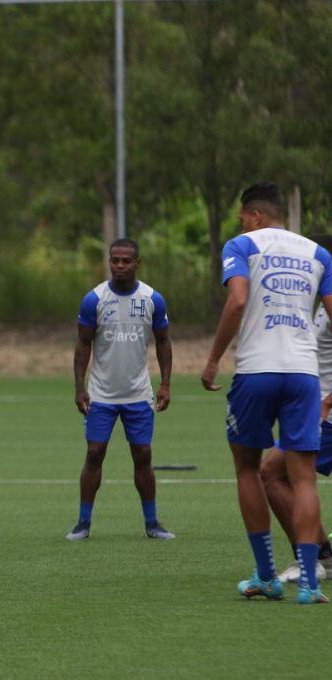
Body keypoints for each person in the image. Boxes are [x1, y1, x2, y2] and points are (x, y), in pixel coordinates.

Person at [202, 181, 332, 604]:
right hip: (304, 375)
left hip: (257, 370)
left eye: (243, 217)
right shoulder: (318, 253)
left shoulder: (241, 245)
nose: (241, 223)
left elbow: (237, 301)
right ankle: (311, 584)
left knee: (247, 469)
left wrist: (213, 358)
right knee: (303, 478)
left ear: (255, 216)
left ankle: (266, 576)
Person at [67, 238, 175, 541]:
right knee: (94, 453)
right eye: (115, 260)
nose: (120, 266)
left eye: (126, 261)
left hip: (138, 393)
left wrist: (165, 383)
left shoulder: (153, 298)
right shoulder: (94, 299)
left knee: (142, 454)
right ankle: (83, 524)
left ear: (137, 263)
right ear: (109, 262)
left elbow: (164, 341)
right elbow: (82, 344)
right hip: (101, 394)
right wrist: (79, 387)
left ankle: (152, 523)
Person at [261, 233, 332, 584]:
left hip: (326, 416)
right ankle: (321, 555)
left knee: (272, 473)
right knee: (277, 474)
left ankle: (312, 559)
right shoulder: (320, 301)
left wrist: (328, 401)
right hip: (314, 410)